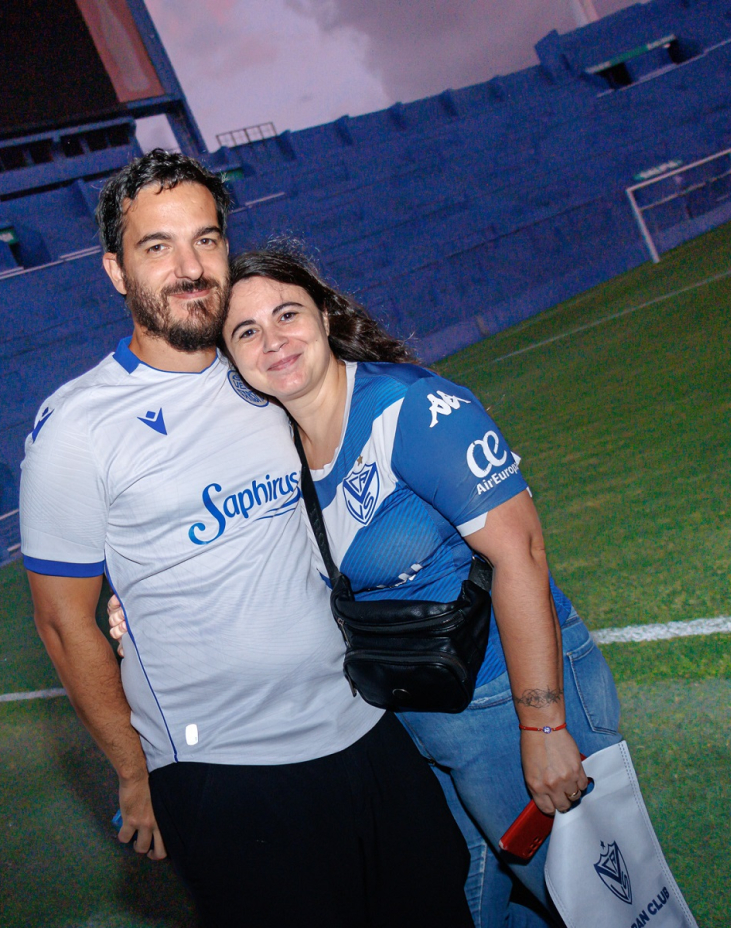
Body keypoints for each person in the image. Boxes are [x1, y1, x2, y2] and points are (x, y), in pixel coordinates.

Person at [17, 151, 474, 928]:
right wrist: (133, 770)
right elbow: (63, 623)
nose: (190, 268)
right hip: (226, 771)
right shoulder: (78, 428)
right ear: (116, 271)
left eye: (206, 239)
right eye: (157, 246)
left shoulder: (268, 367)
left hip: (363, 724)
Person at [111, 243, 624, 928]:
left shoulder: (411, 406)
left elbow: (522, 555)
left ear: (324, 315)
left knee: (599, 906)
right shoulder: (275, 454)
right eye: (246, 331)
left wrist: (544, 724)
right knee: (472, 911)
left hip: (506, 699)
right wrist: (143, 604)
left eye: (287, 314)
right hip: (412, 721)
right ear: (231, 359)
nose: (273, 341)